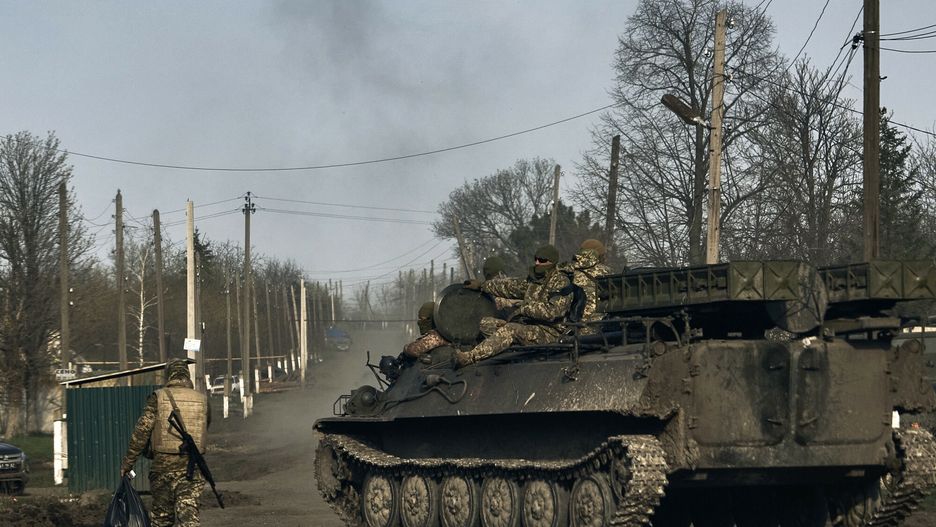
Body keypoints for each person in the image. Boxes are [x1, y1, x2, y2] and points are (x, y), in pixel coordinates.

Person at [121, 359, 210, 527]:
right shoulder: (202, 400)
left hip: (163, 470)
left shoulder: (158, 397)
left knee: (162, 518)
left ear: (169, 375)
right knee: (189, 517)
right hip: (192, 468)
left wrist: (128, 463)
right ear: (187, 375)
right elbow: (205, 427)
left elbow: (141, 432)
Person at [454, 245, 572, 368]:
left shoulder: (561, 281)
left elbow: (553, 312)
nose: (537, 263)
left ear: (552, 262)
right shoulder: (534, 281)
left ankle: (469, 358)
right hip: (530, 327)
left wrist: (525, 308)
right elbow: (509, 286)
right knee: (486, 323)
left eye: (542, 260)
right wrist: (482, 286)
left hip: (550, 333)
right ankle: (510, 352)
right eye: (536, 259)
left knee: (511, 329)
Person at [559, 239, 613, 333]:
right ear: (600, 255)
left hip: (572, 330)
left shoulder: (566, 270)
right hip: (600, 330)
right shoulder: (607, 273)